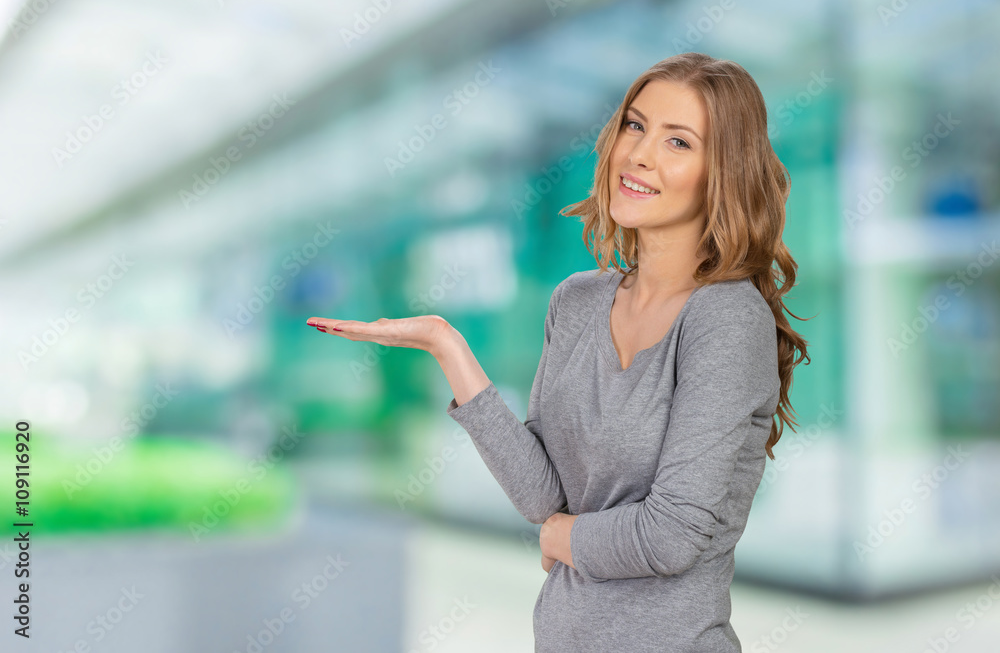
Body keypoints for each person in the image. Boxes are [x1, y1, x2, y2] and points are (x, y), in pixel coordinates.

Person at [306, 52, 810, 652]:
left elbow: (670, 536)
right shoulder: (576, 301)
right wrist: (448, 347)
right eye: (635, 125)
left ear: (721, 171)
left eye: (678, 142)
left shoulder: (726, 318)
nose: (640, 154)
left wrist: (558, 540)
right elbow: (544, 496)